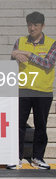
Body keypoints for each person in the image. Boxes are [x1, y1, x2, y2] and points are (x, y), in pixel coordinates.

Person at [8, 12, 55, 170]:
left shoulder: (52, 43)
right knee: (18, 124)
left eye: (35, 25)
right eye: (29, 24)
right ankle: (16, 157)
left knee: (41, 125)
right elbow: (12, 60)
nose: (32, 28)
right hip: (23, 89)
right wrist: (14, 54)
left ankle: (37, 157)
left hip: (43, 90)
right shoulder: (20, 41)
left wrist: (28, 54)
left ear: (42, 26)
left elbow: (48, 63)